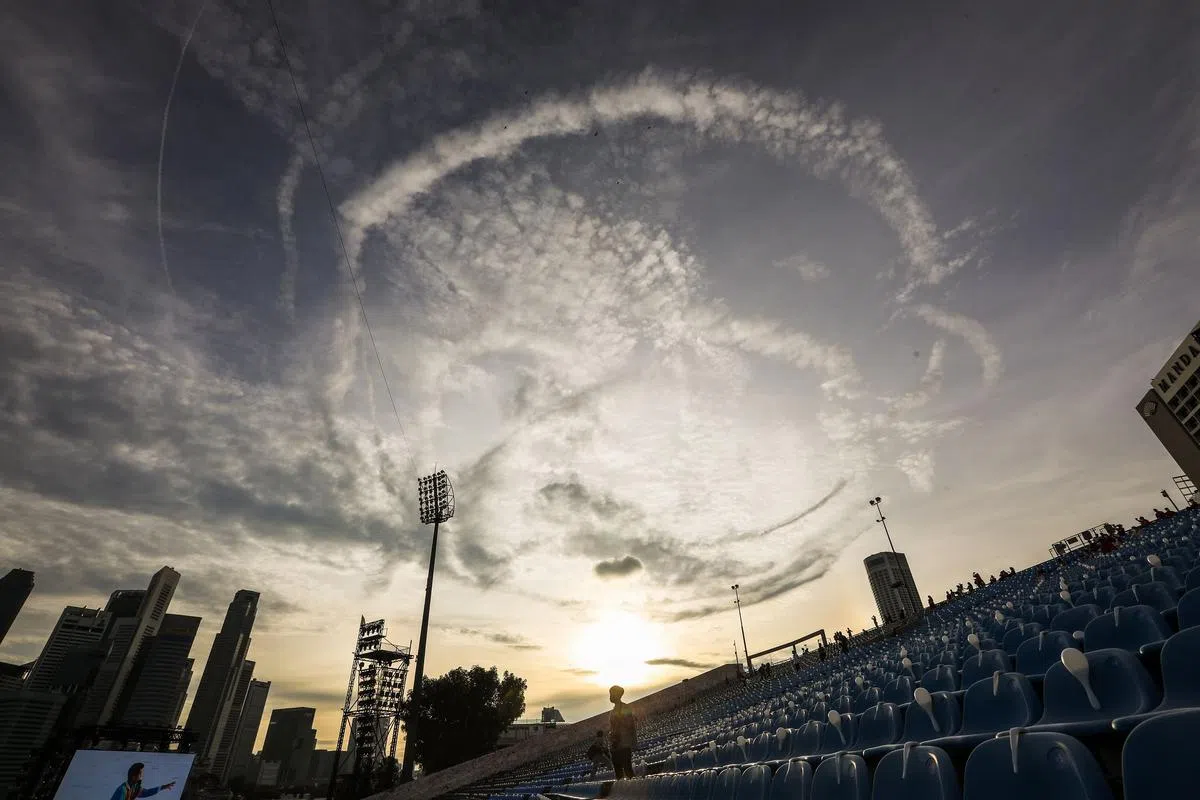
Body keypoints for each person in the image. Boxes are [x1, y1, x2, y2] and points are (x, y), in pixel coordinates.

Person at [608, 685, 636, 780]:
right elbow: (612, 728)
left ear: (618, 694)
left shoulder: (625, 707)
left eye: (612, 693)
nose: (610, 696)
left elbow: (630, 724)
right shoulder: (612, 712)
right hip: (615, 745)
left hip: (624, 743)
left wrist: (620, 720)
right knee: (618, 773)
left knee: (628, 771)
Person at [111, 763, 175, 800]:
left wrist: (163, 787)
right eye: (140, 774)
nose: (142, 777)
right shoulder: (122, 790)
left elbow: (146, 792)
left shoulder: (134, 787)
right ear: (133, 777)